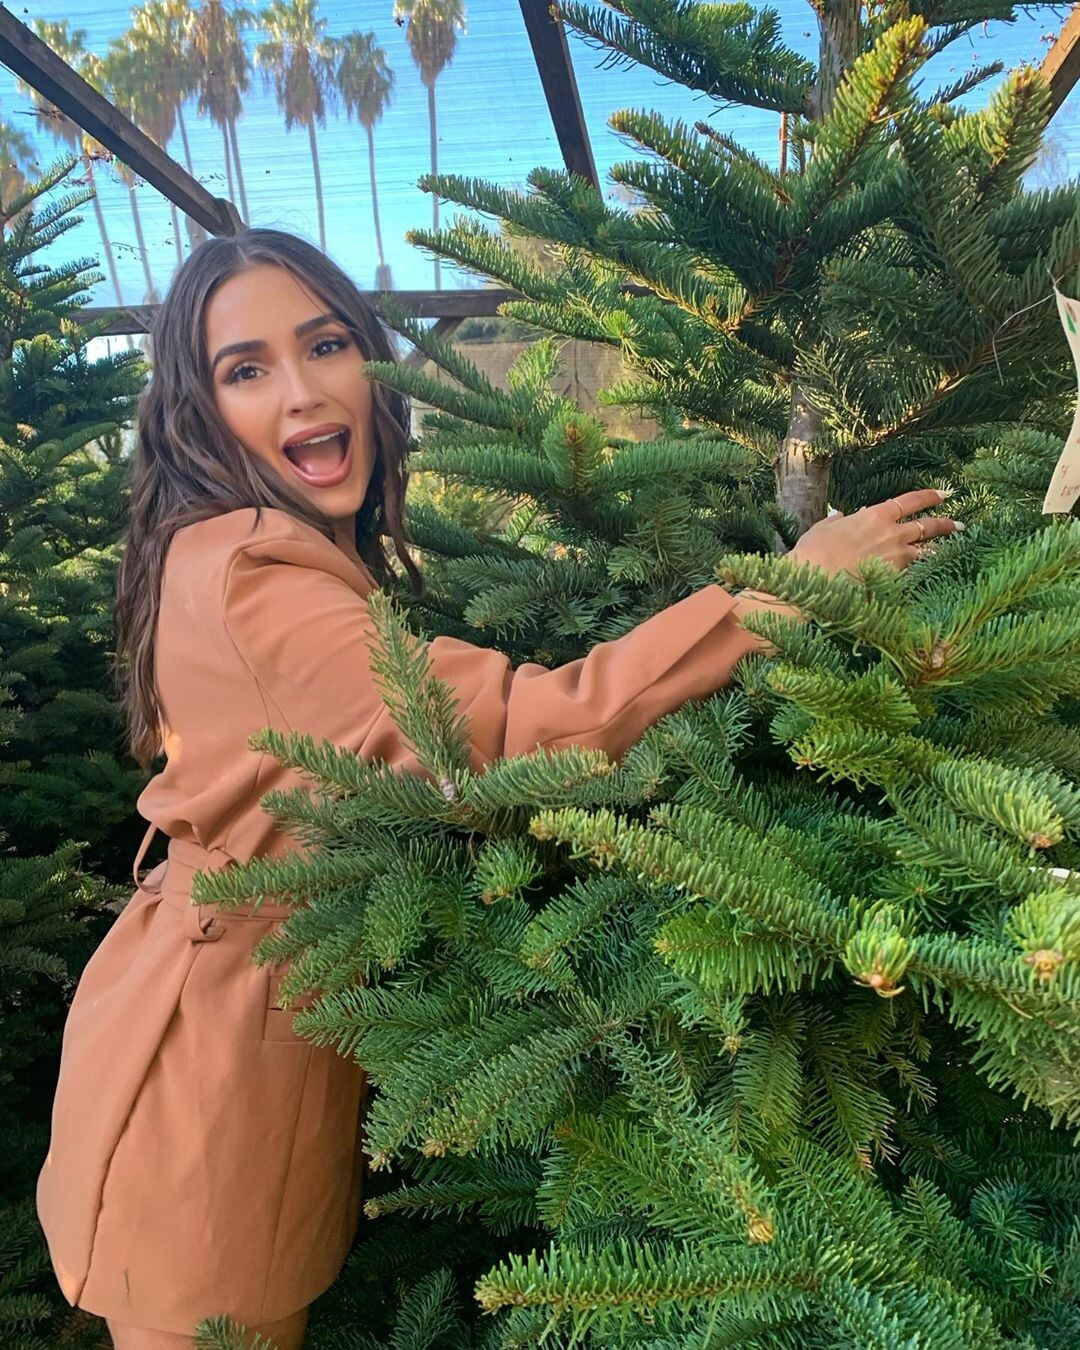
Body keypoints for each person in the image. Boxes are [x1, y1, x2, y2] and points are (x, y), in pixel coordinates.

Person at [34, 228, 961, 1350]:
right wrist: (775, 601)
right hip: (208, 1068)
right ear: (198, 413)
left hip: (227, 1014)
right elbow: (510, 726)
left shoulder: (239, 549)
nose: (303, 391)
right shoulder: (250, 573)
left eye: (324, 344)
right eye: (246, 369)